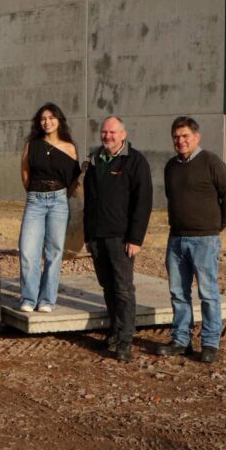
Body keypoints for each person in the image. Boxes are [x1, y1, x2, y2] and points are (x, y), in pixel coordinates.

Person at [157, 116, 226, 364]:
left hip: (204, 240)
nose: (180, 141)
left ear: (196, 137)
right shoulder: (171, 166)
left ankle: (210, 343)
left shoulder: (211, 162)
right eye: (176, 137)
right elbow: (173, 197)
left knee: (208, 293)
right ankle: (181, 340)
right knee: (178, 293)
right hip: (177, 239)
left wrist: (215, 227)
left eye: (185, 136)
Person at [83, 116, 153, 363]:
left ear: (124, 134)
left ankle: (124, 340)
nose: (108, 136)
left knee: (123, 289)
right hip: (98, 237)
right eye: (104, 132)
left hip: (121, 238)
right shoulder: (95, 160)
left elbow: (142, 203)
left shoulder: (135, 162)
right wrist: (88, 236)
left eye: (112, 132)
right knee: (108, 287)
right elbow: (89, 202)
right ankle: (113, 333)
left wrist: (135, 238)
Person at [18, 103, 81, 314]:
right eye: (43, 118)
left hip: (59, 202)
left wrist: (60, 194)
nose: (47, 121)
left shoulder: (70, 147)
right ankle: (29, 297)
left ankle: (46, 299)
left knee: (54, 252)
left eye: (51, 117)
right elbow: (25, 172)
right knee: (28, 251)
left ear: (59, 120)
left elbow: (74, 180)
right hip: (35, 200)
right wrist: (34, 192)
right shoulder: (32, 145)